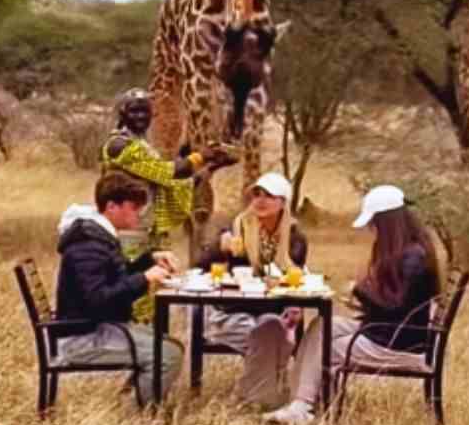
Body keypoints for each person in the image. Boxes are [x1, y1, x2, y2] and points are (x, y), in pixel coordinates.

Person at [262, 184, 440, 425]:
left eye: (374, 224)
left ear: (387, 223)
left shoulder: (413, 258)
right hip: (386, 333)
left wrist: (359, 291)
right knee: (322, 326)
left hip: (396, 345)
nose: (371, 229)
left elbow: (395, 306)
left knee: (328, 347)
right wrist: (363, 296)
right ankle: (300, 404)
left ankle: (304, 405)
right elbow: (394, 304)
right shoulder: (410, 251)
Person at [100, 87, 235, 323]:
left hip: (149, 228)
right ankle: (135, 342)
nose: (141, 117)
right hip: (127, 229)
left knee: (156, 293)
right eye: (134, 111)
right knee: (135, 293)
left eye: (145, 111)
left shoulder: (141, 145)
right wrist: (201, 156)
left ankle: (153, 347)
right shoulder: (118, 146)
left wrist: (213, 166)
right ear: (122, 113)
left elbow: (176, 184)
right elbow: (167, 173)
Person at [55, 171, 185, 406]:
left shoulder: (96, 235)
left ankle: (130, 401)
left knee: (170, 344)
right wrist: (144, 279)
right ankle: (139, 415)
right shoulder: (88, 245)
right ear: (112, 206)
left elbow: (116, 277)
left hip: (95, 326)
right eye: (134, 207)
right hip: (82, 338)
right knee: (168, 354)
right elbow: (98, 299)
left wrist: (150, 259)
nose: (139, 213)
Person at [203, 171, 308, 407]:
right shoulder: (235, 229)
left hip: (273, 311)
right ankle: (264, 393)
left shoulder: (295, 238)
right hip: (234, 311)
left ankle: (248, 396)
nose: (260, 200)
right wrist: (220, 248)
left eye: (269, 195)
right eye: (256, 194)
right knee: (269, 336)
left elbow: (295, 279)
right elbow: (201, 266)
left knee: (272, 328)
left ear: (283, 203)